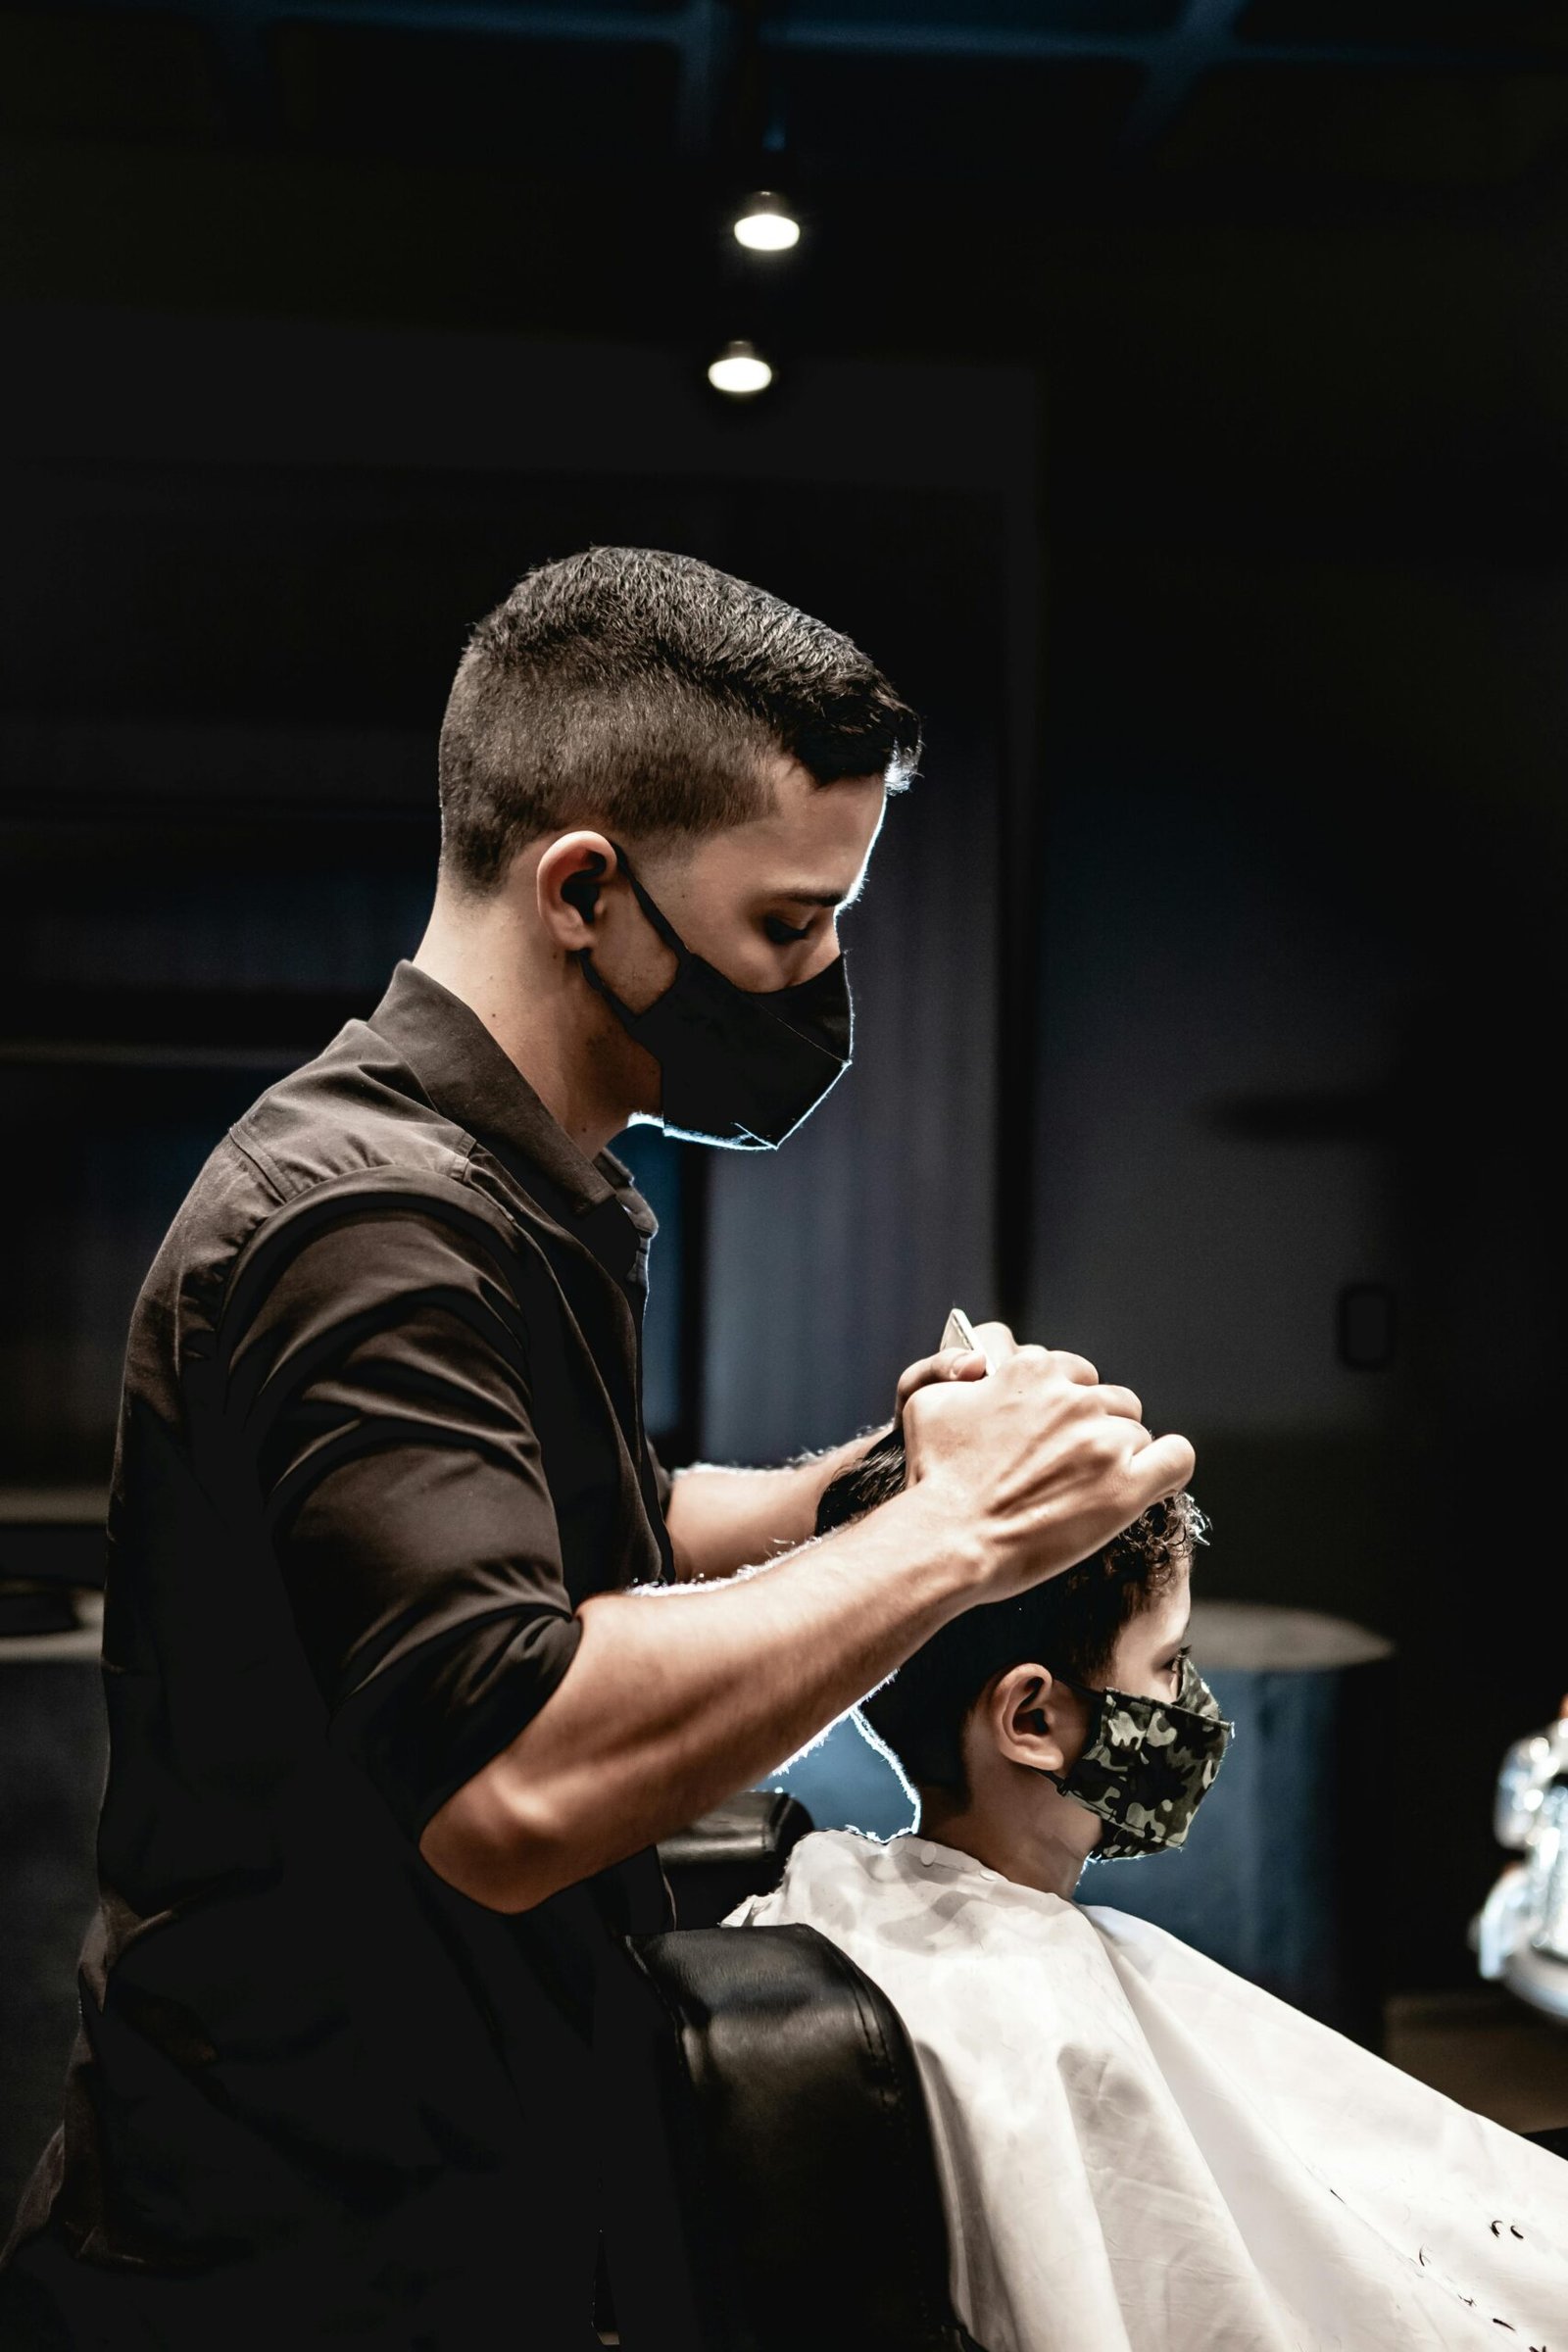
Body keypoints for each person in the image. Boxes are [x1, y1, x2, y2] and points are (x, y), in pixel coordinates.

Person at [0, 548, 1195, 2350]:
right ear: (583, 887)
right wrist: (950, 1535)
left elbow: (594, 1532)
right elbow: (514, 1781)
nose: (825, 976)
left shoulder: (516, 1188)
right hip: (286, 2262)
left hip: (467, 2192)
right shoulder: (367, 1229)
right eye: (789, 926)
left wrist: (860, 1486)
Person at [728, 1430, 1568, 2352]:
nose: (1191, 1704)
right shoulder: (1037, 2035)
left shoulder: (833, 1886)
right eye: (1169, 1665)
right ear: (1035, 1718)